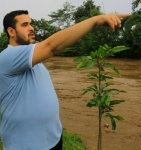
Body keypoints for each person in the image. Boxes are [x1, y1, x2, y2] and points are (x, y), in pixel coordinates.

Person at [0, 10, 131, 150]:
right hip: (26, 145)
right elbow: (52, 46)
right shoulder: (8, 57)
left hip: (53, 139)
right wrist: (95, 21)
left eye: (31, 24)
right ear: (11, 31)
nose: (31, 28)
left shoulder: (32, 58)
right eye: (25, 25)